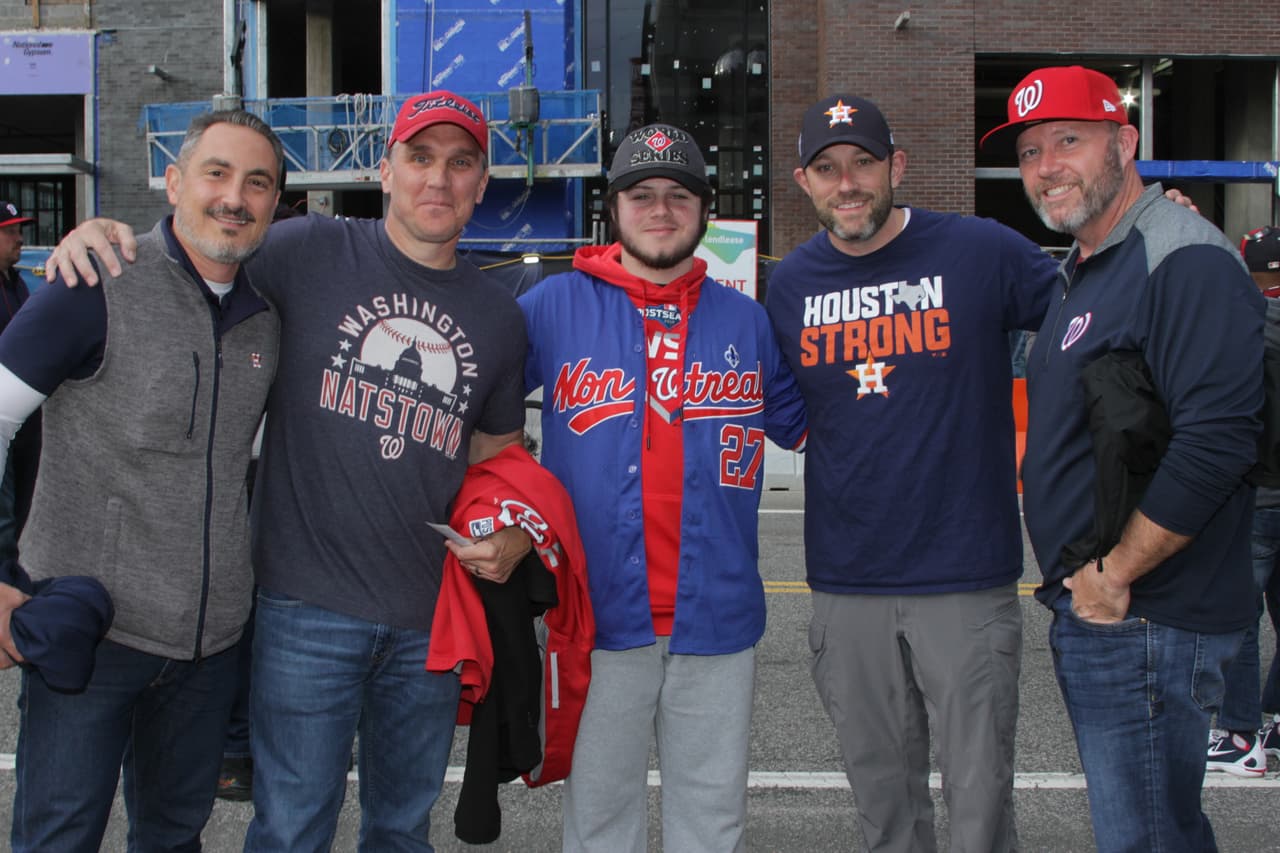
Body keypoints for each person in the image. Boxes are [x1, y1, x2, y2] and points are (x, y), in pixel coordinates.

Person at [46, 90, 533, 853]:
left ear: (481, 183)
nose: (438, 179)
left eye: (460, 163)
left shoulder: (499, 315)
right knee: (291, 826)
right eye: (419, 157)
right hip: (303, 608)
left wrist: (515, 533)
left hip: (429, 616)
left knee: (403, 829)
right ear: (385, 169)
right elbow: (199, 246)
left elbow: (500, 457)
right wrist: (105, 238)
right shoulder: (306, 250)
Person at [764, 95, 1058, 853]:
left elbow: (1088, 314)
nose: (848, 182)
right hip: (848, 580)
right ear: (804, 181)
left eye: (863, 162)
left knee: (979, 804)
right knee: (882, 805)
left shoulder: (979, 250)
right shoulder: (791, 285)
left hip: (963, 575)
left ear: (896, 165)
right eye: (828, 169)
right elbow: (789, 413)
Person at [983, 65, 1265, 850]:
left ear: (1125, 140)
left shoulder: (1183, 259)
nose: (1047, 166)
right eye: (1032, 151)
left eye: (1068, 141)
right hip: (1110, 611)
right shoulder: (1084, 268)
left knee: (1142, 836)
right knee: (1162, 828)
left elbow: (1217, 441)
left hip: (1146, 615)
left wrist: (1116, 577)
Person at [519, 122, 807, 852]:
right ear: (612, 210)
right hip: (598, 614)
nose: (660, 209)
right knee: (599, 820)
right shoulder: (552, 308)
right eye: (639, 193)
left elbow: (820, 428)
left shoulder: (747, 319)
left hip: (717, 613)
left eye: (679, 194)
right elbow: (474, 412)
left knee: (711, 822)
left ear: (704, 211)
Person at [0, 110, 283, 851]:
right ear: (173, 181)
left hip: (209, 648)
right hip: (91, 637)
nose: (234, 197)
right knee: (57, 837)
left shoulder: (267, 321)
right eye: (216, 173)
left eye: (258, 182)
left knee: (172, 836)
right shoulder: (94, 281)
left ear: (276, 203)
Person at [1208, 223, 1280, 777]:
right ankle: (1275, 720)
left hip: (1257, 492)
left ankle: (1239, 735)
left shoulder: (1246, 325)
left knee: (1237, 614)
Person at [0, 203, 39, 562]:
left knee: (26, 502)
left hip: (27, 417)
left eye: (18, 229)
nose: (19, 238)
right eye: (9, 231)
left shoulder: (18, 283)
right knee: (5, 511)